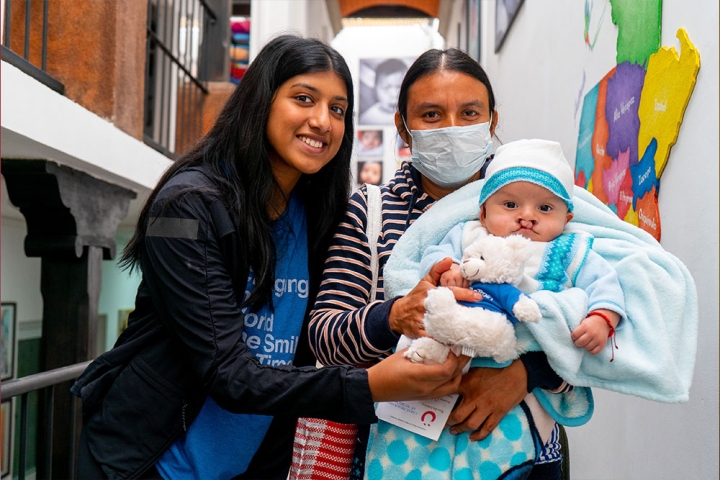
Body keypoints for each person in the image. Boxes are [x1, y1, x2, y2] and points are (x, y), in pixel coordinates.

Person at [70, 35, 468, 480]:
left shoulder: (320, 214)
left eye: (338, 110)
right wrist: (371, 386)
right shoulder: (189, 205)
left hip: (252, 463)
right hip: (152, 463)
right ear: (262, 100)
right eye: (304, 99)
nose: (322, 121)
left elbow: (323, 334)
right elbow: (228, 373)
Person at [309, 48, 571, 479]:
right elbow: (325, 335)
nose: (452, 128)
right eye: (431, 115)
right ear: (403, 128)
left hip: (522, 454)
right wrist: (394, 317)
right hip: (396, 455)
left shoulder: (537, 205)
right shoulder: (371, 213)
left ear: (492, 122)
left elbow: (590, 322)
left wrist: (524, 374)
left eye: (469, 113)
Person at [424, 138, 625, 357]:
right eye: (510, 205)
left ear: (566, 220)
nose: (527, 216)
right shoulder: (471, 235)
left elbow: (604, 282)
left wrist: (602, 318)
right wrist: (450, 269)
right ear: (483, 214)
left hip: (532, 352)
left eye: (545, 208)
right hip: (467, 332)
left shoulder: (567, 249)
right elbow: (433, 255)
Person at [359, 58, 407, 125]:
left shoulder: (410, 115)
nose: (393, 94)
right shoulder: (366, 119)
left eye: (399, 87)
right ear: (375, 89)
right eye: (386, 88)